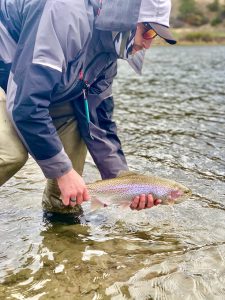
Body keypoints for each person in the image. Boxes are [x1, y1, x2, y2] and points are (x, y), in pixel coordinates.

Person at [0, 0, 176, 214]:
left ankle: (62, 234)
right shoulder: (65, 13)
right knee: (10, 154)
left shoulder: (108, 54)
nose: (148, 44)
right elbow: (26, 106)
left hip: (32, 86)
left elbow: (98, 120)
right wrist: (62, 171)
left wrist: (124, 182)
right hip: (11, 75)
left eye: (155, 37)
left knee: (70, 193)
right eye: (148, 33)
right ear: (126, 18)